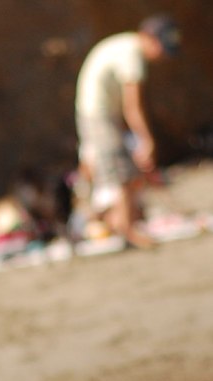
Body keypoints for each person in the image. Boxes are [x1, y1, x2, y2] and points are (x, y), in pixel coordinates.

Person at [75, 14, 182, 248]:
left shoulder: (126, 46)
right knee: (120, 170)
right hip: (98, 114)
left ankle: (115, 221)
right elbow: (132, 106)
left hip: (99, 111)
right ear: (149, 38)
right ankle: (126, 229)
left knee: (117, 168)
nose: (163, 55)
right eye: (162, 46)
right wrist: (146, 140)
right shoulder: (132, 56)